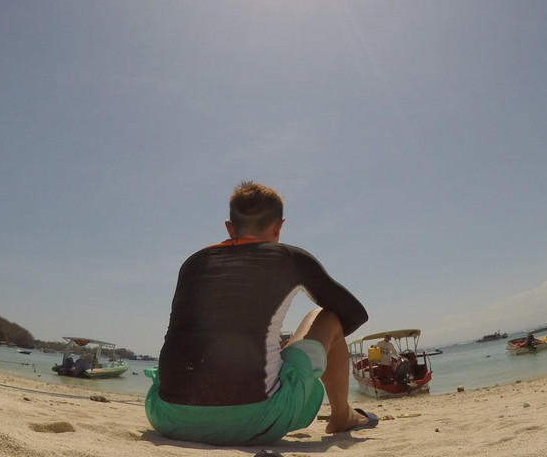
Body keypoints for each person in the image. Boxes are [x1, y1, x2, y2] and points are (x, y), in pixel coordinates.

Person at [145, 181, 375, 446]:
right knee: (326, 316)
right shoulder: (289, 258)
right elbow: (354, 315)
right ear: (278, 228)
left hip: (167, 416)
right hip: (256, 420)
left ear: (229, 229)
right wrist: (291, 352)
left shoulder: (192, 263)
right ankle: (341, 416)